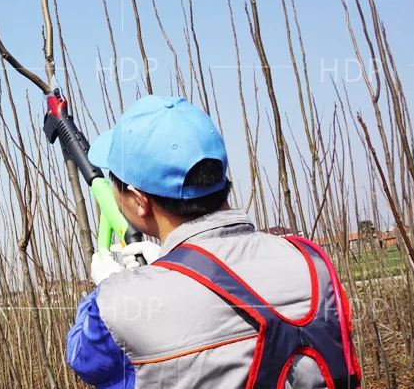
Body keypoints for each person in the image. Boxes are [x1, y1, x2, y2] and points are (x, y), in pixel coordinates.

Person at [68, 96, 362, 388]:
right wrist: (170, 264)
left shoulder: (118, 306)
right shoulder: (311, 262)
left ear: (139, 200)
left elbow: (84, 358)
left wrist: (109, 290)